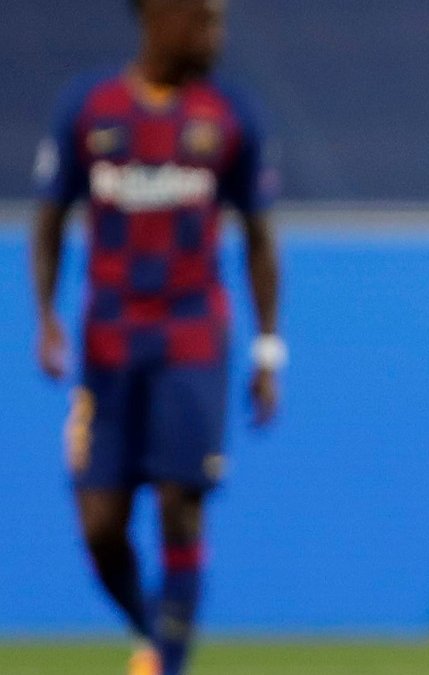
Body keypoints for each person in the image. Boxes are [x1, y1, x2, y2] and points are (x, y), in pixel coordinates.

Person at [30, 1, 284, 673]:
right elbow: (50, 218)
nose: (215, 35)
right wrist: (47, 316)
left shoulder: (229, 115)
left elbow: (259, 238)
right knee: (100, 524)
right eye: (203, 19)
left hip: (192, 335)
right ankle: (158, 636)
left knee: (180, 503)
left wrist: (267, 348)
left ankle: (167, 663)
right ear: (158, 15)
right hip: (108, 341)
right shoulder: (90, 108)